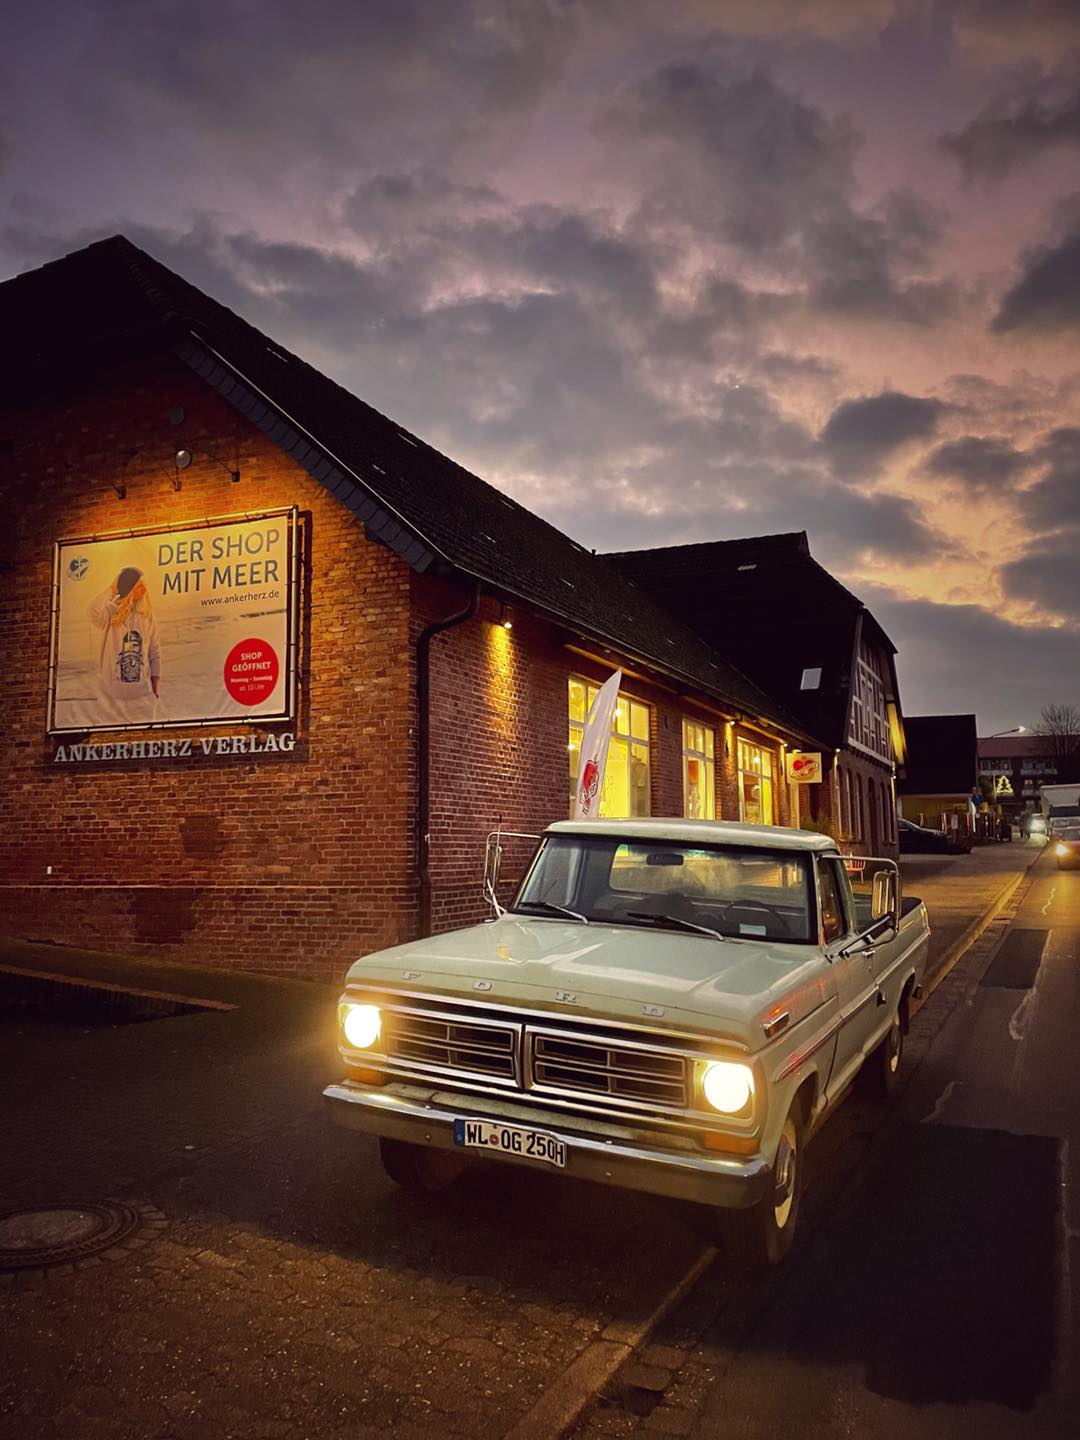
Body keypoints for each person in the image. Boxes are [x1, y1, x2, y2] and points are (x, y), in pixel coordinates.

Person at [88, 566, 161, 723]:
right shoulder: (111, 613)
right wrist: (112, 588)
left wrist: (155, 684)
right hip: (111, 701)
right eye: (139, 585)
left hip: (142, 699)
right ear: (129, 588)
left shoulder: (147, 617)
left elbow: (154, 652)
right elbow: (92, 610)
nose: (144, 589)